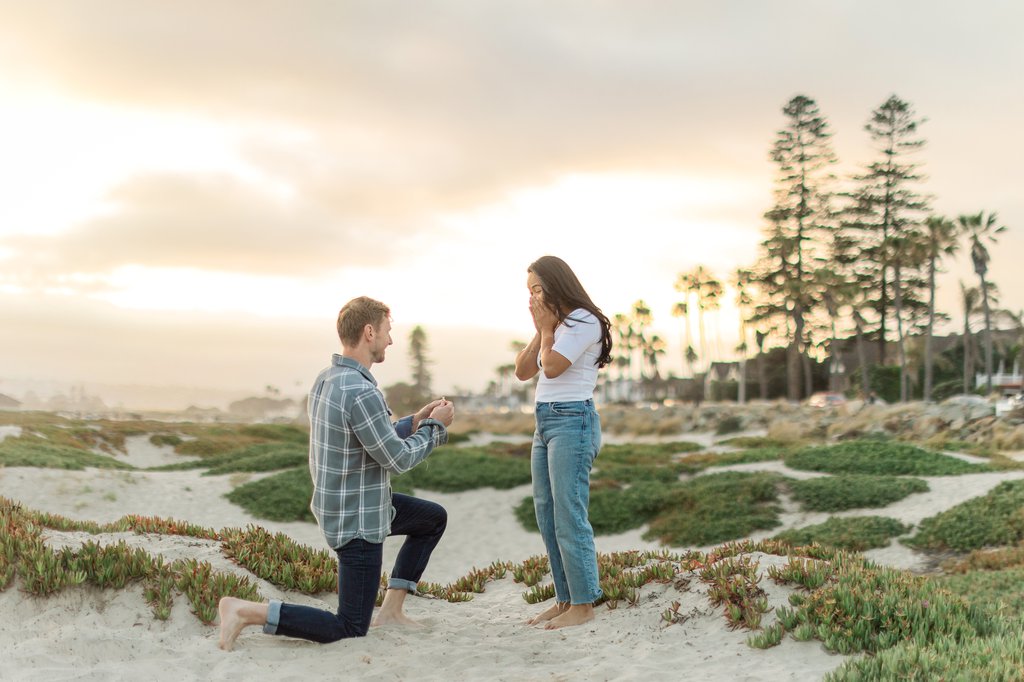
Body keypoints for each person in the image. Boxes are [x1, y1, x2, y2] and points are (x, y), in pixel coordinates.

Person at [218, 296, 455, 650]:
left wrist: (415, 421)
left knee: (432, 519)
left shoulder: (328, 379)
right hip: (358, 520)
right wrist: (435, 428)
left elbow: (369, 438)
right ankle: (246, 612)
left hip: (353, 504)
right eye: (387, 331)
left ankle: (391, 610)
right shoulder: (361, 391)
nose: (391, 340)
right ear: (369, 332)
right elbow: (398, 460)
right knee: (351, 626)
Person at [513, 255, 613, 630]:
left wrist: (548, 330)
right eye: (529, 291)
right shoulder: (554, 325)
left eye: (537, 289)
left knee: (568, 513)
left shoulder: (585, 321)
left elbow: (553, 367)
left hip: (573, 420)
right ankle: (566, 598)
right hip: (545, 422)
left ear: (557, 285)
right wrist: (542, 329)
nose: (532, 297)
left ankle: (584, 604)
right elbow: (523, 371)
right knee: (546, 513)